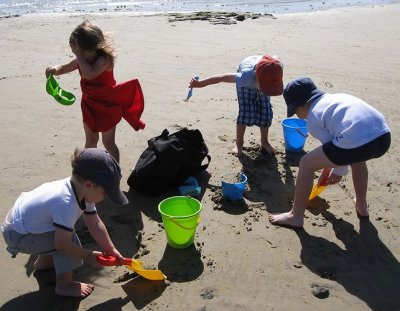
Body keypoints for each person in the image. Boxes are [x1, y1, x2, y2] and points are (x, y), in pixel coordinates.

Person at [1, 148, 128, 298]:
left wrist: (110, 248)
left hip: (23, 226)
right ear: (89, 184)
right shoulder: (66, 203)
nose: (105, 197)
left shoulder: (81, 192)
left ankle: (43, 264)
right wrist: (88, 256)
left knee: (60, 231)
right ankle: (65, 286)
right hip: (18, 235)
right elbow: (63, 245)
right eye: (105, 192)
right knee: (69, 240)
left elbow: (95, 224)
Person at [269, 77, 391, 228]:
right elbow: (334, 149)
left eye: (295, 111)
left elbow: (337, 153)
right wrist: (327, 171)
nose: (297, 115)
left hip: (355, 141)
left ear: (300, 105)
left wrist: (338, 172)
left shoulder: (313, 117)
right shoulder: (335, 98)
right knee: (358, 159)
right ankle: (361, 204)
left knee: (306, 163)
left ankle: (296, 215)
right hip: (383, 137)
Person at [45, 20, 145, 163]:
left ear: (89, 48)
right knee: (91, 140)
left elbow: (89, 74)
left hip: (107, 105)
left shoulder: (104, 60)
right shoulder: (82, 58)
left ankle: (115, 171)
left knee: (108, 142)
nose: (74, 54)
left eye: (76, 51)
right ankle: (89, 168)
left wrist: (79, 56)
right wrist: (54, 69)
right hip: (89, 104)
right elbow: (64, 68)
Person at [189, 54, 284, 156]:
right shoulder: (245, 77)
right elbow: (222, 77)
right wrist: (200, 84)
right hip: (246, 85)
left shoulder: (277, 68)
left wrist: (273, 59)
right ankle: (239, 143)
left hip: (265, 72)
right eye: (266, 87)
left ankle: (264, 141)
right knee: (246, 113)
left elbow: (275, 57)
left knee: (266, 113)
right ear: (256, 75)